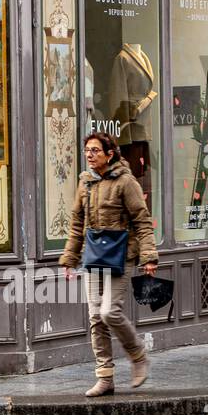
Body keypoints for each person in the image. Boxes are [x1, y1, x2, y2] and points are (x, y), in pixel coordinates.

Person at [60, 131, 159, 397]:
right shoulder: (86, 183)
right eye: (87, 151)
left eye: (95, 150)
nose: (89, 155)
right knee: (95, 318)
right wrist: (69, 259)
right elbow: (77, 224)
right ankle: (105, 377)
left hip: (121, 255)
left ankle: (138, 356)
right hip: (94, 256)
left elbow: (142, 220)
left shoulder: (126, 182)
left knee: (109, 312)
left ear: (110, 154)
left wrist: (149, 257)